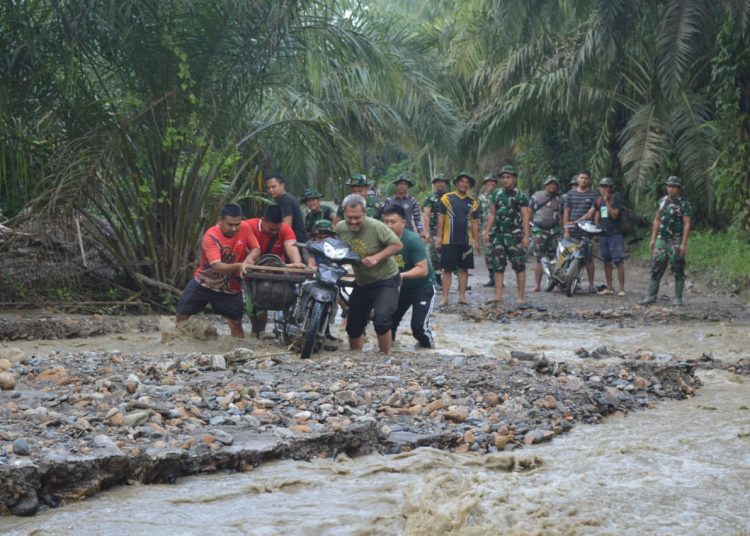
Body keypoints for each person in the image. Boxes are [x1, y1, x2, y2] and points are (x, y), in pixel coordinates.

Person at [175, 203, 260, 338]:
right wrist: (239, 266)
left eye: (237, 224)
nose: (234, 228)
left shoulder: (245, 227)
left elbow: (256, 248)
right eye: (230, 224)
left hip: (231, 286)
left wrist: (248, 260)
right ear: (220, 221)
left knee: (236, 324)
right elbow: (217, 266)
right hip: (204, 282)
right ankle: (177, 343)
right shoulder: (211, 236)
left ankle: (238, 350)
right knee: (181, 314)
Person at [335, 194, 403, 353]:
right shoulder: (340, 228)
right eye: (349, 217)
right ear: (344, 213)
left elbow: (397, 245)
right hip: (362, 281)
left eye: (357, 217)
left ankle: (385, 356)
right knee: (353, 325)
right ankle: (356, 358)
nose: (353, 221)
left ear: (365, 213)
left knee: (381, 320)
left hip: (386, 280)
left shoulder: (376, 227)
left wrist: (376, 258)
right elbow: (339, 247)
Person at [246, 204, 306, 336]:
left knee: (290, 298)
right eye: (271, 229)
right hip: (254, 273)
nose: (274, 232)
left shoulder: (285, 229)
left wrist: (297, 263)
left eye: (277, 229)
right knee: (256, 310)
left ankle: (288, 331)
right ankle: (257, 333)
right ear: (263, 220)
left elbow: (292, 248)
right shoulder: (248, 226)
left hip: (278, 271)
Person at [382, 204, 436, 348]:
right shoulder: (381, 240)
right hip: (400, 288)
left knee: (418, 328)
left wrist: (401, 275)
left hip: (423, 287)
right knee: (387, 323)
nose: (389, 226)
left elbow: (422, 270)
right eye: (385, 222)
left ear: (403, 223)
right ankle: (389, 351)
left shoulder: (412, 240)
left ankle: (430, 353)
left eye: (393, 222)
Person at [642, 176, 693, 306]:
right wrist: (653, 238)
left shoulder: (684, 204)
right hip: (661, 239)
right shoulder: (662, 201)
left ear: (679, 189)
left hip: (675, 240)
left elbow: (687, 223)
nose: (671, 189)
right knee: (656, 266)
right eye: (669, 186)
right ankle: (651, 296)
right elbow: (657, 219)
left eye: (674, 187)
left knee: (678, 266)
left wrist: (683, 243)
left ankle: (678, 298)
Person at [483, 165, 530, 304]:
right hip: (498, 235)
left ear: (514, 178)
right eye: (503, 177)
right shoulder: (496, 194)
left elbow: (525, 216)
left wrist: (526, 236)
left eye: (508, 177)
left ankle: (521, 297)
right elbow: (492, 214)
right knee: (498, 265)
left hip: (515, 236)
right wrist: (487, 232)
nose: (505, 180)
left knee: (519, 265)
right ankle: (498, 296)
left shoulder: (520, 195)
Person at [435, 172, 479, 306]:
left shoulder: (473, 202)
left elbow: (475, 223)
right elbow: (441, 218)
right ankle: (445, 297)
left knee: (464, 269)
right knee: (447, 269)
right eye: (461, 181)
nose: (464, 184)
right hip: (449, 240)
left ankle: (462, 296)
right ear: (457, 183)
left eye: (467, 182)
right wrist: (439, 236)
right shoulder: (447, 198)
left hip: (466, 241)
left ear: (469, 185)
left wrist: (477, 241)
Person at [587, 177, 625, 296]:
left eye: (606, 186)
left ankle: (622, 289)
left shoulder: (616, 199)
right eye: (602, 186)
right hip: (604, 234)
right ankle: (609, 287)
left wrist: (607, 201)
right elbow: (590, 213)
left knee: (618, 261)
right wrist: (577, 221)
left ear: (611, 188)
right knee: (606, 261)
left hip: (615, 234)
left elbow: (614, 215)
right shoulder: (598, 200)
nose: (604, 189)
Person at [562, 169, 598, 293]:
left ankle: (591, 284)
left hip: (587, 230)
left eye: (586, 178)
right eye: (581, 177)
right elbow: (566, 212)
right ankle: (565, 278)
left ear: (589, 180)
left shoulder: (594, 195)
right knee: (567, 254)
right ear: (577, 179)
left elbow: (595, 213)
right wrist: (566, 229)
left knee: (588, 258)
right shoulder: (570, 194)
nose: (583, 180)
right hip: (572, 230)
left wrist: (596, 231)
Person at [265, 173, 313, 266]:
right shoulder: (287, 198)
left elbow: (286, 227)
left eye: (273, 187)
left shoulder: (285, 201)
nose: (270, 190)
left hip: (296, 244)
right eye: (268, 188)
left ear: (282, 185)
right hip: (298, 243)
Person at [529, 176, 562, 292]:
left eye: (554, 184)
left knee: (556, 258)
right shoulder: (537, 196)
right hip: (539, 231)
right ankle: (537, 285)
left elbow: (563, 214)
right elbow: (529, 211)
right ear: (545, 185)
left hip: (555, 232)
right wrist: (528, 228)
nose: (552, 186)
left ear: (557, 186)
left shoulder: (560, 198)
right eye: (550, 184)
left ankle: (555, 283)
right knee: (539, 258)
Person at [422, 174, 448, 288]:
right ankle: (438, 280)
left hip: (448, 231)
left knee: (449, 255)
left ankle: (451, 280)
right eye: (437, 182)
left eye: (442, 181)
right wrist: (426, 232)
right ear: (434, 184)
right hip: (433, 230)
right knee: (436, 256)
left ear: (445, 183)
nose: (440, 184)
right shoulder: (430, 198)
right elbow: (426, 215)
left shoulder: (450, 197)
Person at [478, 174, 499, 287]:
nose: (490, 184)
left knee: (499, 255)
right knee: (488, 255)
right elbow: (478, 214)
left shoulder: (499, 195)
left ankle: (499, 278)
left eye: (493, 182)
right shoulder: (481, 198)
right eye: (488, 182)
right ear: (485, 185)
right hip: (485, 230)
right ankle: (492, 278)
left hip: (499, 230)